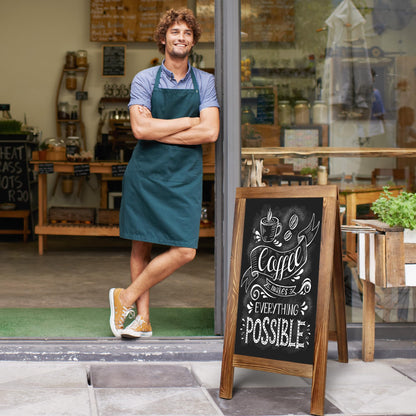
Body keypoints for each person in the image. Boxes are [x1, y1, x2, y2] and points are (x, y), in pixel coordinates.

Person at [109, 8, 220, 338]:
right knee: (141, 247)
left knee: (185, 249)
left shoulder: (206, 81)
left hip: (184, 176)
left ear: (193, 41)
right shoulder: (145, 79)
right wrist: (188, 121)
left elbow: (211, 132)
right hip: (146, 174)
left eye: (187, 33)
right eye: (175, 32)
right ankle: (142, 319)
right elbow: (140, 130)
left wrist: (161, 130)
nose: (181, 37)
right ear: (163, 39)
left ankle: (124, 297)